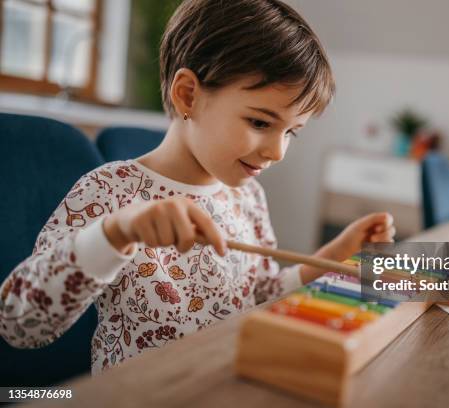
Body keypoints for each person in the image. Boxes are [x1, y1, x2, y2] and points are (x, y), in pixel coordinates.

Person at [0, 0, 395, 374]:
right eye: (260, 122)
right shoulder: (110, 191)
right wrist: (116, 233)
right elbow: (19, 325)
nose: (277, 151)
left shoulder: (247, 196)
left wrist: (331, 257)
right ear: (187, 93)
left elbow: (258, 295)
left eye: (292, 131)